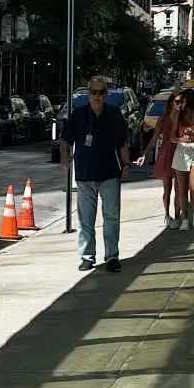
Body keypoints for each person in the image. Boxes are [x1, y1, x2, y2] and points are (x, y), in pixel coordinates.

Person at [60, 76, 130, 273]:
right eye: (93, 92)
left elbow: (123, 143)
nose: (97, 96)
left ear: (106, 95)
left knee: (111, 217)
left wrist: (126, 164)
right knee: (86, 220)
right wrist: (64, 159)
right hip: (85, 175)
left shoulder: (114, 114)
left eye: (101, 92)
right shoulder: (78, 116)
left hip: (109, 174)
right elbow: (66, 142)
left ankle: (112, 256)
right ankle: (87, 256)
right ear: (88, 94)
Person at [135, 91, 180, 229]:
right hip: (167, 152)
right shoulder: (163, 119)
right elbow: (154, 138)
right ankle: (167, 215)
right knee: (167, 187)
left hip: (180, 152)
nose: (180, 105)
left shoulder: (184, 118)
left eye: (182, 102)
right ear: (171, 103)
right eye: (177, 102)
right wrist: (144, 154)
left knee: (179, 188)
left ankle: (178, 217)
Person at [170, 87, 194, 230]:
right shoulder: (178, 116)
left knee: (193, 187)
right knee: (182, 189)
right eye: (180, 101)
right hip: (182, 150)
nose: (181, 103)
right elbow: (172, 137)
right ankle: (184, 219)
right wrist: (182, 139)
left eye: (183, 100)